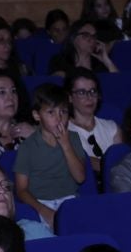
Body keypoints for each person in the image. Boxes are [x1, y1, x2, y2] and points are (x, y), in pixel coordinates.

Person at [10, 84, 85, 230]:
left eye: (63, 112)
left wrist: (65, 145)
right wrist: (43, 210)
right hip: (40, 203)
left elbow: (80, 177)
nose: (59, 118)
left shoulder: (73, 139)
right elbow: (21, 190)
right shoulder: (28, 147)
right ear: (37, 115)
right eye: (51, 112)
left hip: (70, 200)